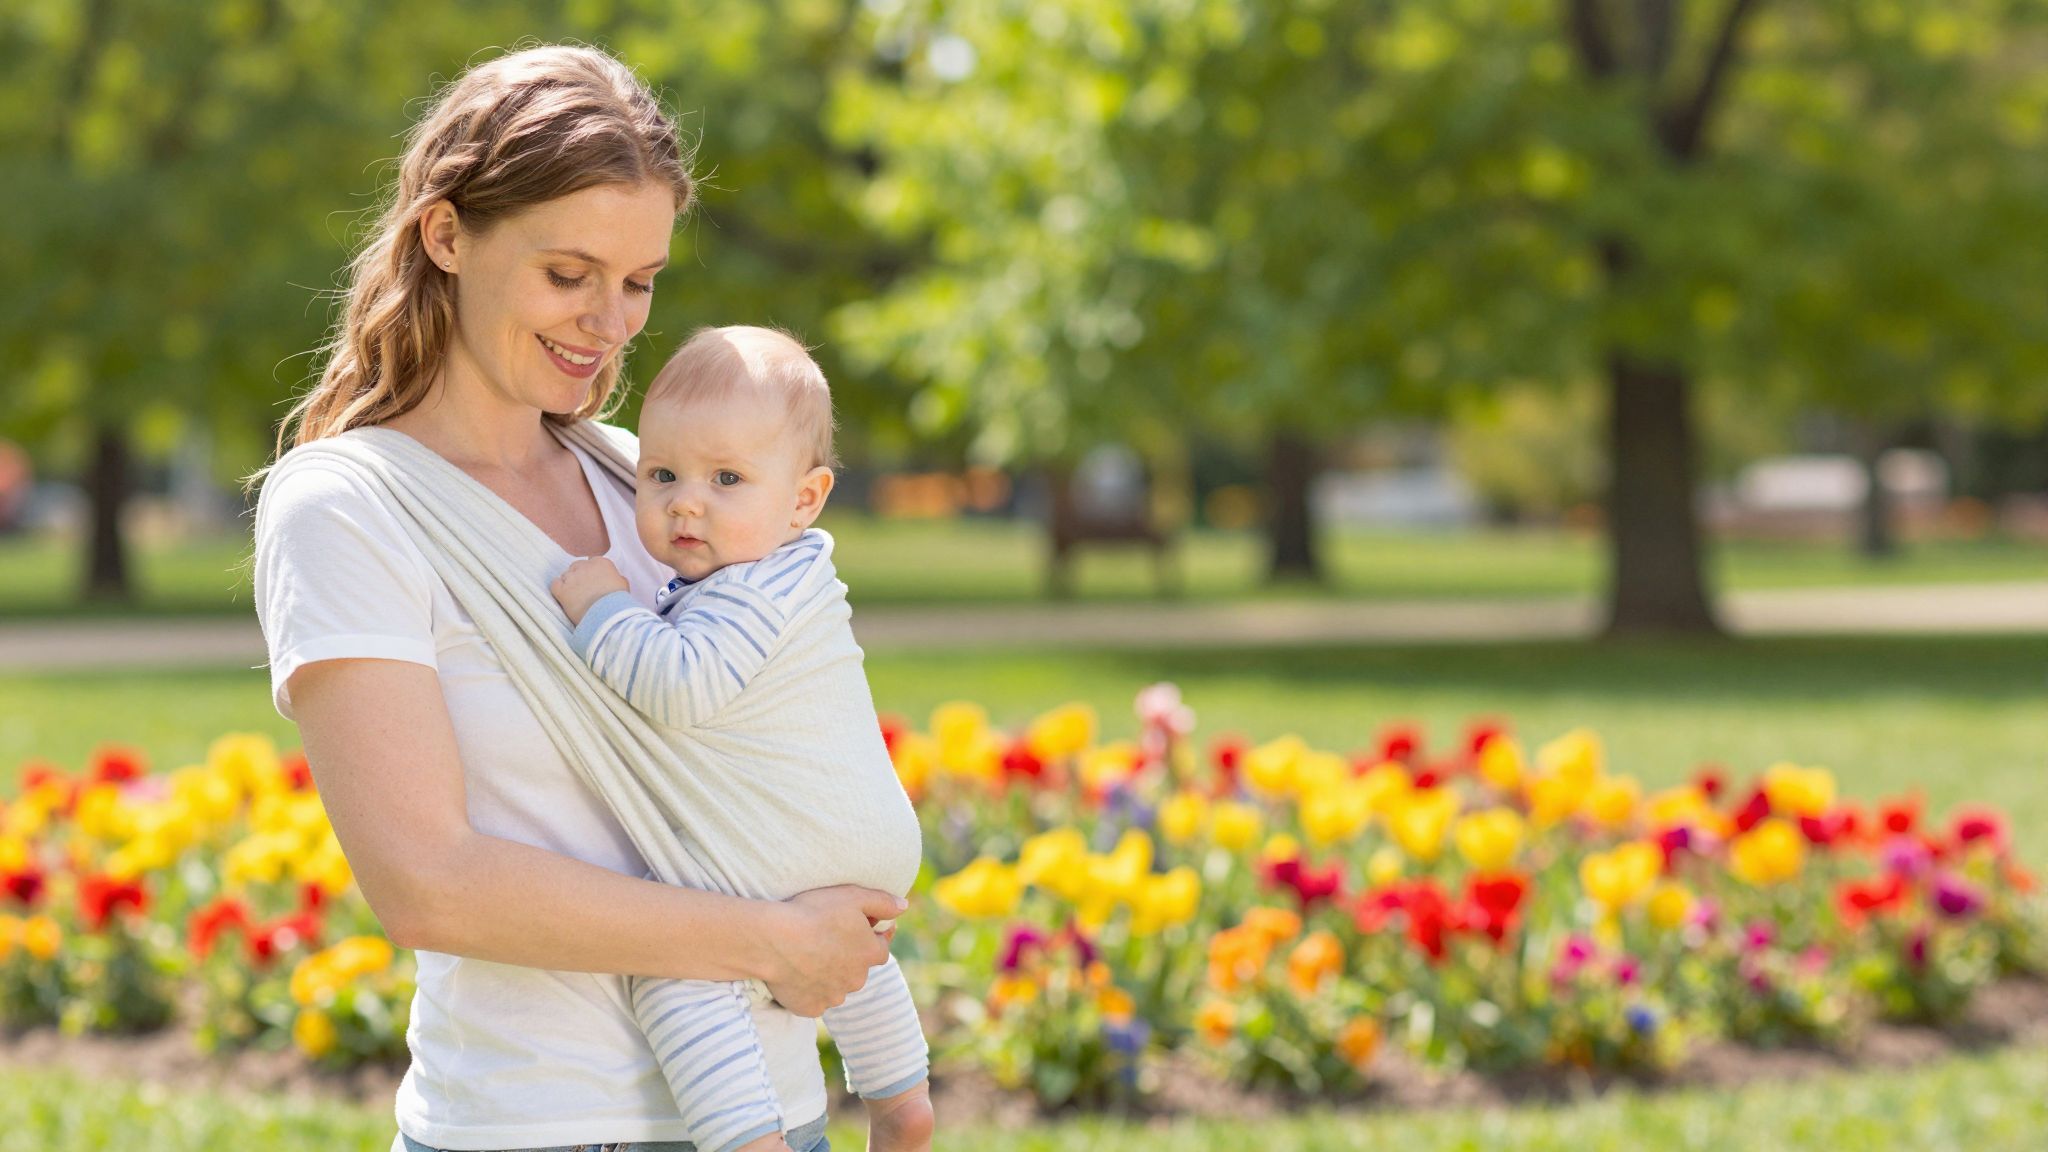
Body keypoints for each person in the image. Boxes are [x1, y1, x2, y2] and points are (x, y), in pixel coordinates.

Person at [251, 45, 913, 1152]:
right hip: (539, 1123)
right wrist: (768, 943)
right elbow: (429, 884)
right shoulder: (348, 506)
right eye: (569, 275)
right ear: (447, 235)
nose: (610, 323)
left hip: (775, 1111)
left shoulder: (651, 479)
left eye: (639, 281)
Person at [548, 325, 930, 1152]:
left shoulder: (743, 590)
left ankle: (746, 1139)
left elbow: (680, 685)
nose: (688, 501)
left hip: (783, 850)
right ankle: (902, 1103)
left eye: (727, 478)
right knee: (854, 953)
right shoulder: (802, 572)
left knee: (678, 969)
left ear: (804, 498)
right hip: (856, 845)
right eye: (661, 475)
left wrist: (603, 607)